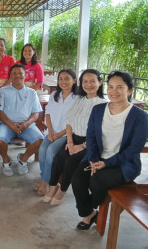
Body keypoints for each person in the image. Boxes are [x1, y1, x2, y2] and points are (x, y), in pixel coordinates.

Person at [71, 71, 148, 230]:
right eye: (111, 86)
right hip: (97, 157)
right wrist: (92, 159)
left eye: (120, 87)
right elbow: (90, 137)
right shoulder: (98, 110)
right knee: (77, 178)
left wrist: (106, 163)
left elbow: (133, 150)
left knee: (96, 181)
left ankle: (88, 212)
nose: (114, 91)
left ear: (130, 90)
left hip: (123, 164)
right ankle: (90, 213)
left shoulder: (140, 116)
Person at [43, 69, 106, 205]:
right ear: (81, 83)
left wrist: (82, 146)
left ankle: (62, 190)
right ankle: (53, 187)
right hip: (73, 138)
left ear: (100, 83)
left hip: (90, 143)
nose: (88, 84)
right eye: (85, 81)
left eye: (92, 81)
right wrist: (70, 141)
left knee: (70, 162)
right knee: (59, 158)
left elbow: (101, 133)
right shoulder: (80, 99)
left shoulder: (102, 104)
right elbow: (69, 121)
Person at [35, 69, 78, 195]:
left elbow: (75, 120)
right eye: (61, 79)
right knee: (42, 150)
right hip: (51, 132)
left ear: (74, 80)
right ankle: (44, 179)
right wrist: (50, 131)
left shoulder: (78, 98)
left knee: (51, 151)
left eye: (67, 79)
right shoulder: (55, 95)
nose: (63, 82)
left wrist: (59, 134)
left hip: (67, 134)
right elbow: (47, 113)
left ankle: (46, 181)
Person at [0, 64, 44, 176]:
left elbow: (36, 112)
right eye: (14, 73)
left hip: (26, 125)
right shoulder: (2, 91)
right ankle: (6, 161)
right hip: (6, 124)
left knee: (40, 140)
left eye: (20, 73)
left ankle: (23, 159)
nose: (17, 75)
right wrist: (11, 124)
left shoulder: (32, 92)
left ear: (25, 75)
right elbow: (0, 112)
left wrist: (27, 123)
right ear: (10, 76)